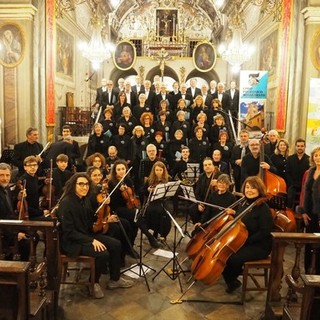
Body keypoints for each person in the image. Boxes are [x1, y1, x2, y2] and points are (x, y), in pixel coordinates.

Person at [57, 173, 133, 299]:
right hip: (72, 242)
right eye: (81, 184)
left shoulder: (84, 199)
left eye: (86, 184)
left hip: (86, 235)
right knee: (102, 253)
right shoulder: (66, 203)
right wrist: (90, 240)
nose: (85, 187)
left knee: (116, 244)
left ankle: (115, 279)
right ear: (73, 185)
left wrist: (104, 215)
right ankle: (93, 282)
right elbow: (69, 232)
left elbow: (91, 217)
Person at [222, 176, 273, 293]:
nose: (249, 190)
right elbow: (242, 220)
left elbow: (265, 231)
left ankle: (232, 280)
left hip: (259, 245)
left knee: (232, 258)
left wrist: (246, 241)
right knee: (225, 253)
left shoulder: (263, 208)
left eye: (253, 188)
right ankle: (232, 280)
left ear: (259, 190)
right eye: (247, 187)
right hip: (245, 240)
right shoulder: (245, 203)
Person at [0, 162, 30, 261]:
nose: (5, 178)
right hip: (3, 232)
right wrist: (15, 234)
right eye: (1, 175)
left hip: (9, 226)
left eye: (7, 175)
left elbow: (9, 208)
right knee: (26, 242)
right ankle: (20, 271)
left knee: (32, 234)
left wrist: (18, 198)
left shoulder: (6, 188)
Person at [297, 147, 320, 274]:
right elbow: (303, 193)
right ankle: (308, 273)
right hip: (309, 214)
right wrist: (303, 211)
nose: (318, 158)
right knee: (309, 245)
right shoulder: (308, 173)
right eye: (316, 155)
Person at [139, 161, 171, 242]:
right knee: (153, 210)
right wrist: (148, 189)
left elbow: (171, 192)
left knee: (165, 213)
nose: (158, 172)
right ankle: (155, 231)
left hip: (163, 201)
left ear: (163, 170)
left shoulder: (168, 179)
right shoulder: (149, 180)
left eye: (160, 170)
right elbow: (141, 191)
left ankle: (162, 233)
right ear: (154, 170)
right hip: (152, 201)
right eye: (157, 170)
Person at [188, 157, 221, 224]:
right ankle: (198, 227)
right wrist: (199, 204)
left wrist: (218, 183)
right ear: (203, 167)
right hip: (203, 202)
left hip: (213, 203)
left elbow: (228, 184)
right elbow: (197, 193)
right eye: (205, 165)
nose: (207, 166)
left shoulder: (219, 175)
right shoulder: (201, 176)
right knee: (191, 209)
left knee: (207, 213)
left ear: (213, 166)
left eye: (209, 164)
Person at [286, 139, 310, 210]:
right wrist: (292, 183)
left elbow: (310, 174)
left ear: (305, 147)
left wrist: (304, 184)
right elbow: (287, 172)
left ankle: (303, 213)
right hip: (293, 184)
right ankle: (289, 212)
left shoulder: (309, 159)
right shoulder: (290, 158)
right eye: (298, 146)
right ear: (295, 147)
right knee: (290, 195)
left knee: (307, 197)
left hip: (304, 184)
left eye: (302, 146)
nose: (300, 147)